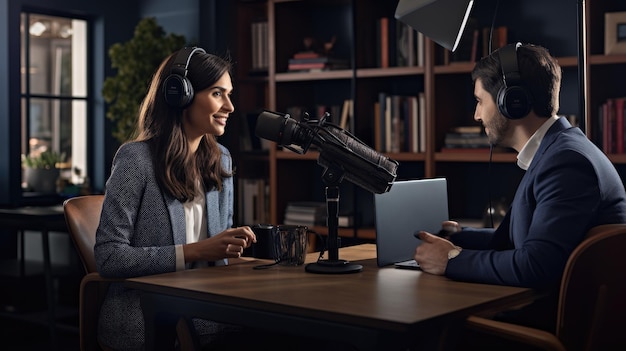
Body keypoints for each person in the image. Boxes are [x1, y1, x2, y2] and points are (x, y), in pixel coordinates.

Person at [413, 43, 626, 333]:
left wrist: (451, 259)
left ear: (511, 101)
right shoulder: (556, 151)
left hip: (542, 332)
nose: (476, 115)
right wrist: (461, 237)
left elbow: (535, 264)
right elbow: (528, 239)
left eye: (480, 101)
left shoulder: (566, 162)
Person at [94, 47, 257, 350]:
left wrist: (234, 247)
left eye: (229, 94)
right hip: (146, 318)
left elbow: (220, 258)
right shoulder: (136, 160)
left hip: (209, 313)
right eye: (218, 94)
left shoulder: (222, 160)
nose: (231, 107)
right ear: (180, 95)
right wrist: (195, 251)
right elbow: (109, 256)